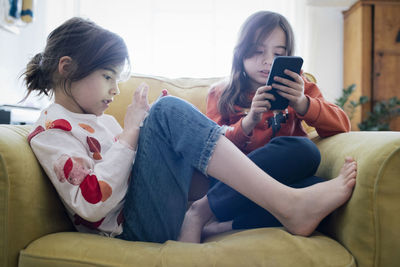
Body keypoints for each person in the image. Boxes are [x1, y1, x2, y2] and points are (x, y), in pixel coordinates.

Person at [24, 17, 357, 245]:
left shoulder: (101, 121)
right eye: (107, 77)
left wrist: (149, 132)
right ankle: (286, 205)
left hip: (160, 204)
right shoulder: (51, 132)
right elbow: (93, 202)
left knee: (315, 183)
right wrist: (132, 133)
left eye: (116, 79)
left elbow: (132, 171)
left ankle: (281, 206)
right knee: (169, 111)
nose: (113, 90)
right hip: (129, 228)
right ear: (66, 68)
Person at [179, 11, 353, 242]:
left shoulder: (299, 88)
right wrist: (249, 121)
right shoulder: (221, 93)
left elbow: (342, 125)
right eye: (258, 51)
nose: (267, 60)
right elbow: (209, 149)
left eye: (278, 54)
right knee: (306, 151)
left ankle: (224, 227)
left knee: (317, 185)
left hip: (276, 188)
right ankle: (202, 210)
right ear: (241, 54)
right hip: (229, 188)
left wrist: (302, 103)